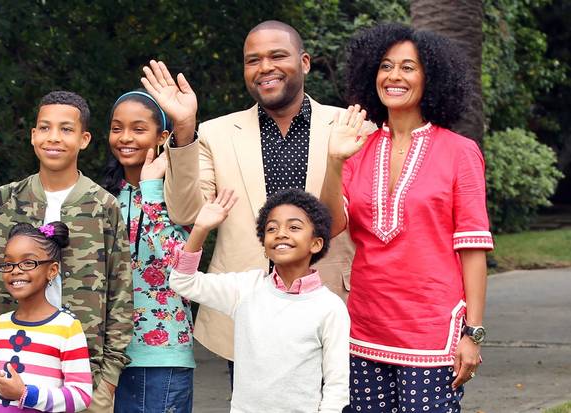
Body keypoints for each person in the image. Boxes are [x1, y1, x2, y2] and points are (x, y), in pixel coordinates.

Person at [141, 20, 372, 377]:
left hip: (328, 305)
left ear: (305, 62)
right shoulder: (214, 133)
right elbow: (187, 211)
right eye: (253, 60)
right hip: (247, 312)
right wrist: (185, 129)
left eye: (277, 55)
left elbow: (348, 220)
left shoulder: (351, 126)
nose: (265, 67)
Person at [0, 91, 133, 412]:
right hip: (13, 382)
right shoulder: (3, 202)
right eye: (44, 128)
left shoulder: (104, 206)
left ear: (84, 139)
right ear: (33, 136)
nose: (53, 137)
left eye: (66, 129)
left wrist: (109, 379)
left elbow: (122, 297)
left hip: (84, 383)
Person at [320, 23, 494, 412]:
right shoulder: (357, 147)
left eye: (408, 67)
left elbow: (473, 248)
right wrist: (335, 163)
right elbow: (330, 226)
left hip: (432, 332)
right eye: (385, 66)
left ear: (430, 78)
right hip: (365, 328)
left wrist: (473, 334)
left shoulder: (460, 152)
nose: (394, 76)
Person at [169, 188, 350, 413]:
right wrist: (200, 229)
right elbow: (183, 282)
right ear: (264, 245)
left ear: (316, 244)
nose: (281, 233)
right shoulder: (246, 289)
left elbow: (337, 385)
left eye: (294, 227)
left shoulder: (330, 307)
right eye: (272, 228)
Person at [101, 90, 195, 413]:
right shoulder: (103, 197)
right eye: (117, 128)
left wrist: (151, 190)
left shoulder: (179, 192)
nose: (125, 137)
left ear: (162, 136)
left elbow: (180, 265)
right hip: (108, 356)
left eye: (138, 129)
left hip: (163, 354)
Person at [0, 222, 93, 412]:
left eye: (28, 262)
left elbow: (81, 396)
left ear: (52, 270)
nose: (15, 270)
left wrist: (25, 393)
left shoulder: (67, 327)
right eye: (9, 264)